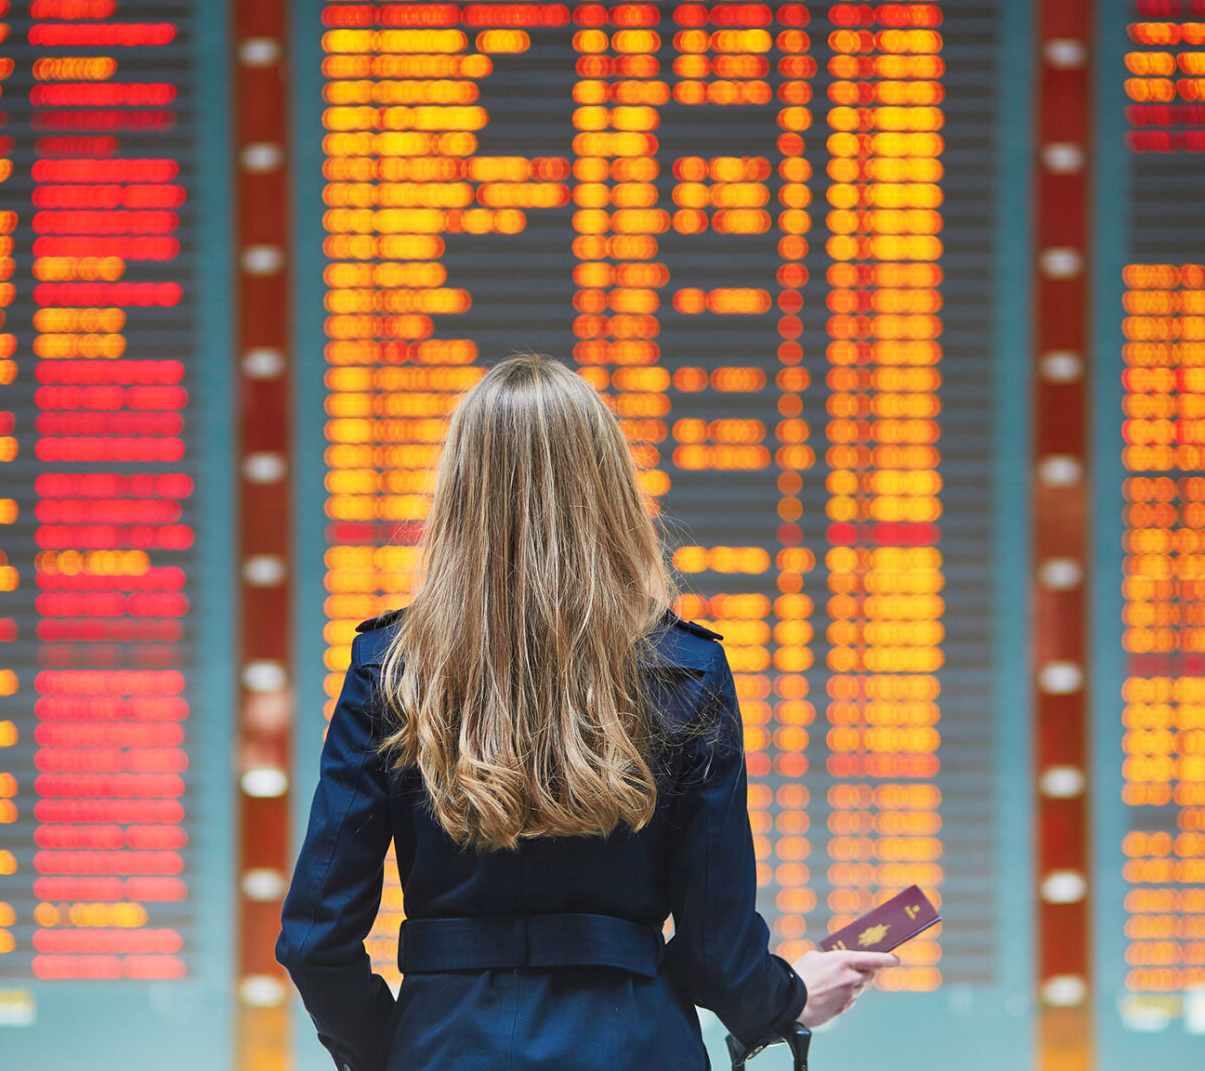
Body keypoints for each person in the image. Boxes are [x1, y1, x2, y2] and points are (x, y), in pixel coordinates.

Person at [275, 353, 898, 1071]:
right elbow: (713, 948)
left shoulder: (391, 666)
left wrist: (393, 1051)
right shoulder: (685, 668)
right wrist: (786, 995)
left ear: (457, 493)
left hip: (443, 1044)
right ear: (608, 486)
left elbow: (317, 938)